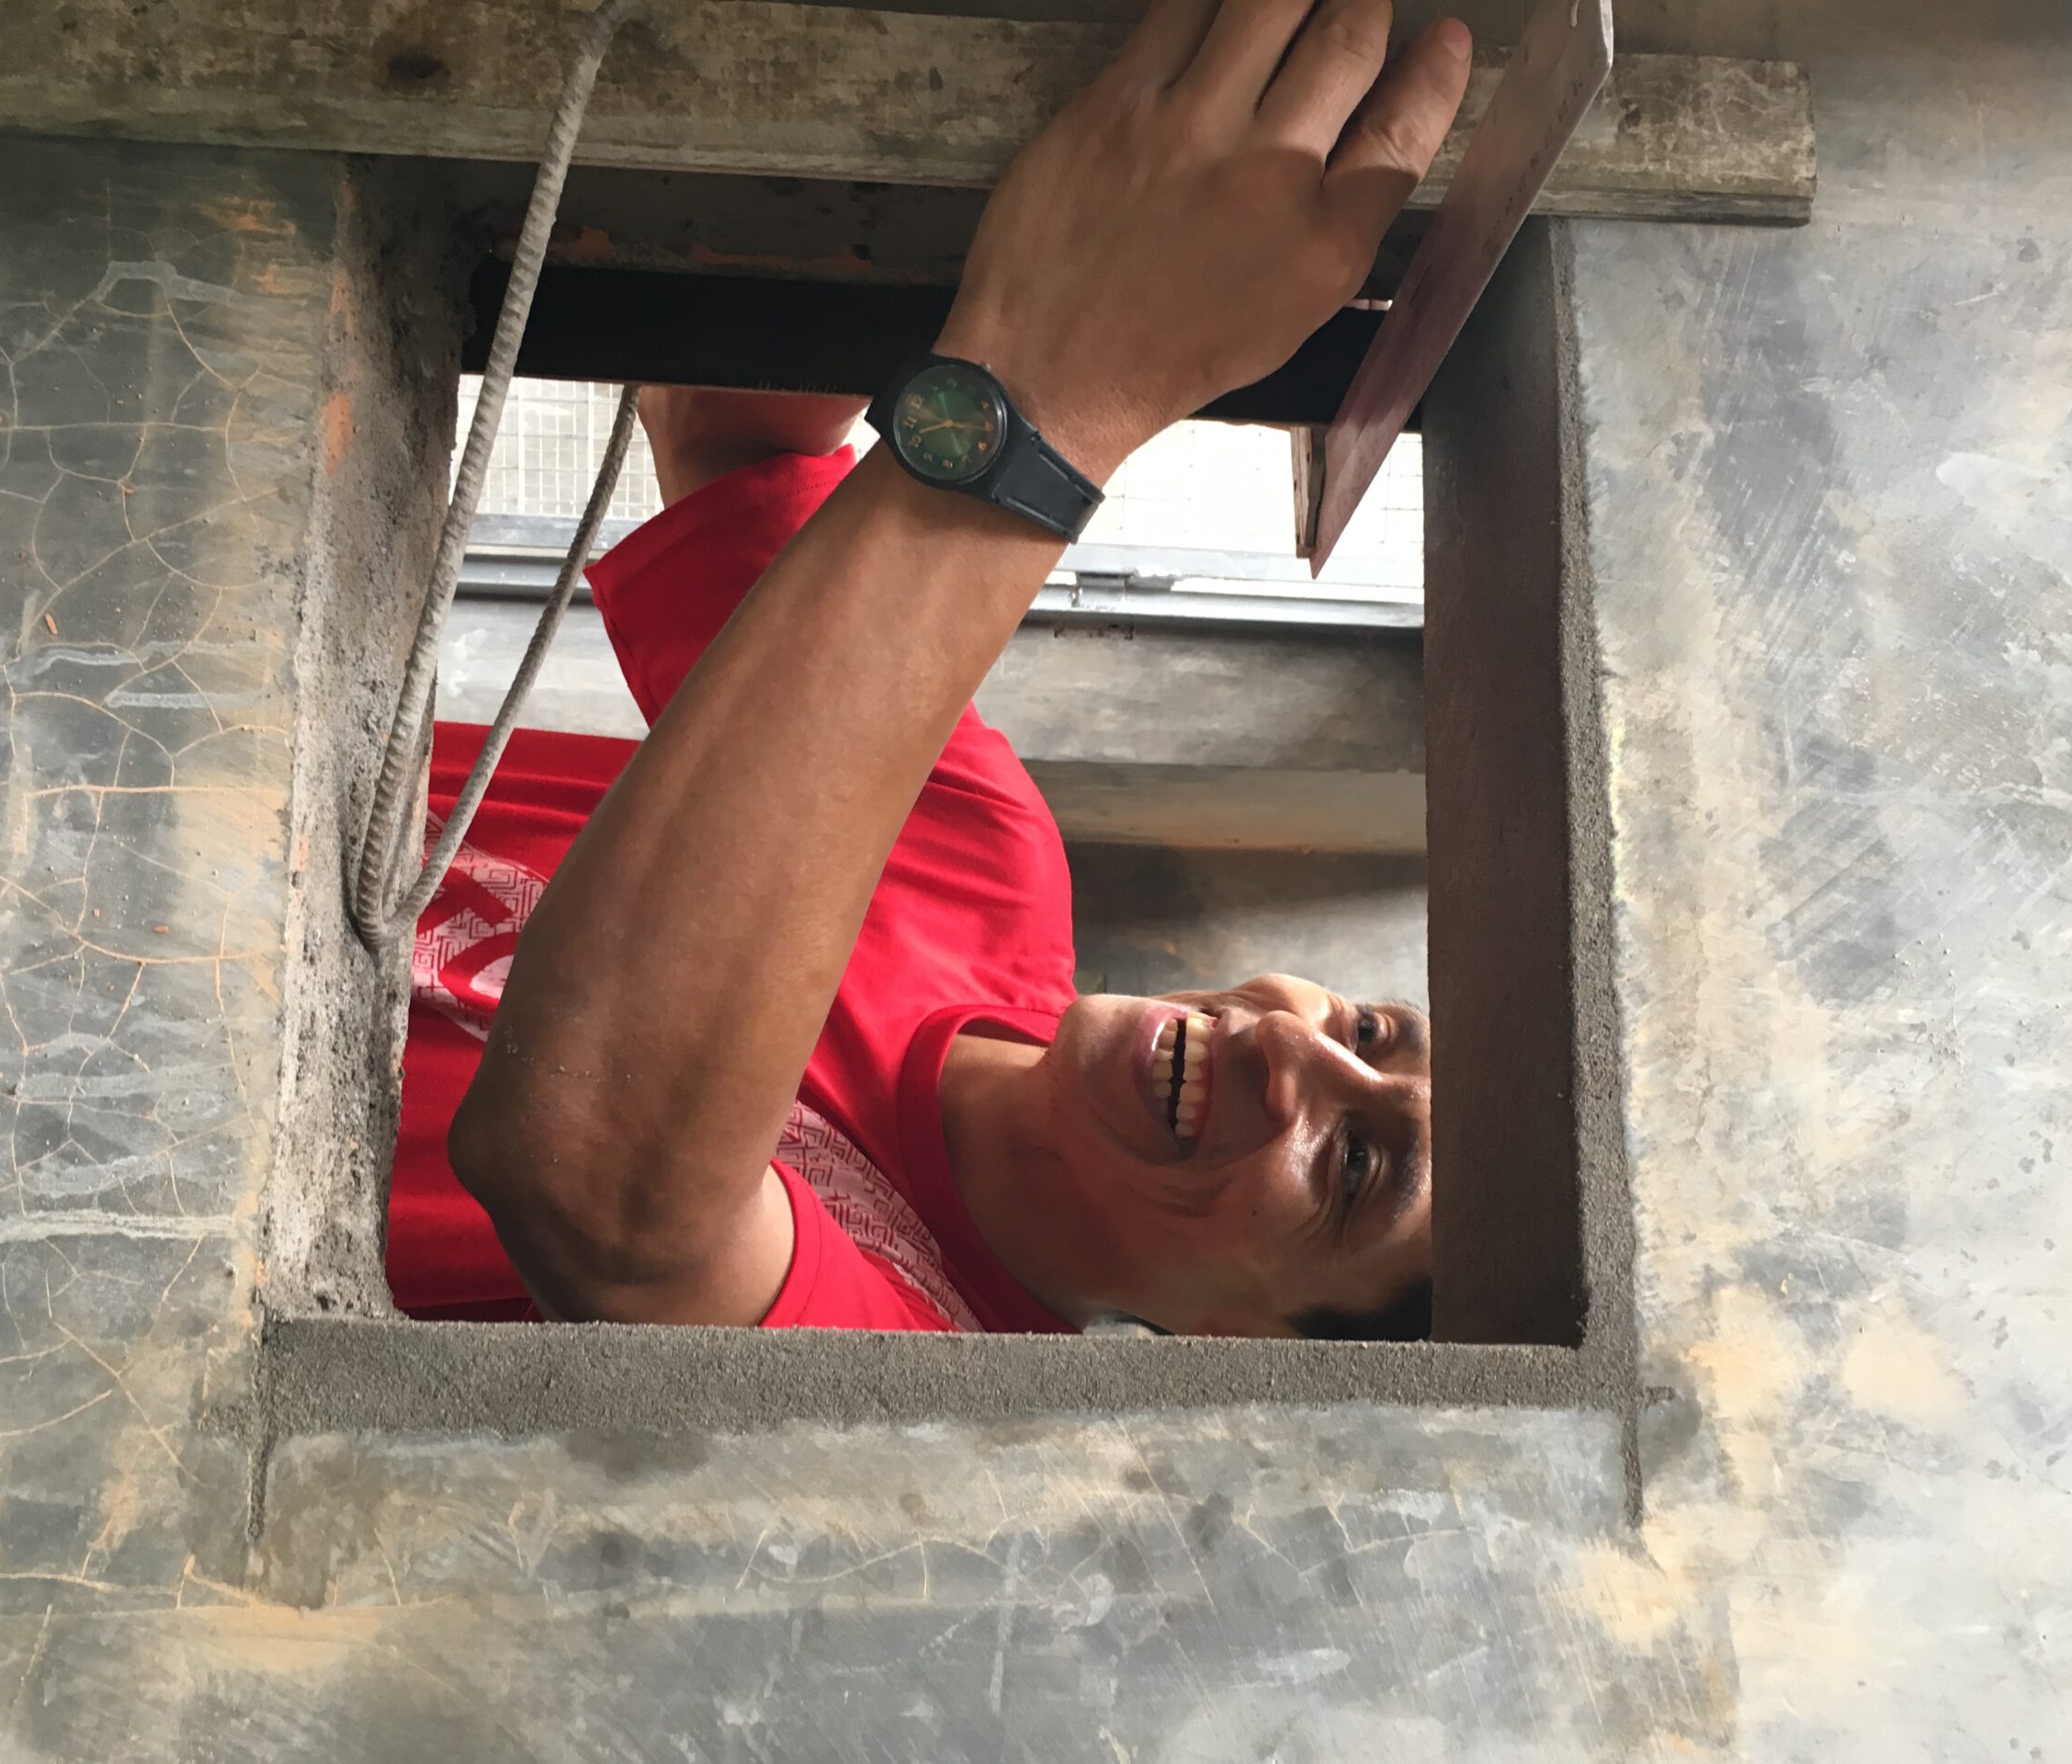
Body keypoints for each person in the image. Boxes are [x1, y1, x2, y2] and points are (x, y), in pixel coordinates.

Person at [387, 0, 1468, 1338]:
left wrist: (1068, 374)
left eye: (1353, 1167)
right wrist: (1008, 179)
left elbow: (591, 1178)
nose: (1288, 1044)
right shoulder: (992, 859)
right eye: (1365, 1030)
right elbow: (729, 431)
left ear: (1244, 1354)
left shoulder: (921, 1369)